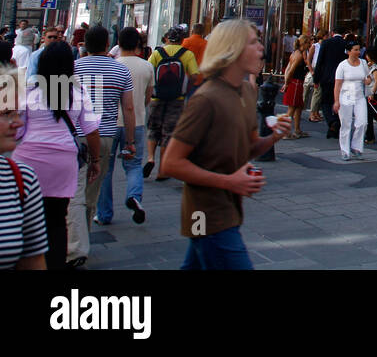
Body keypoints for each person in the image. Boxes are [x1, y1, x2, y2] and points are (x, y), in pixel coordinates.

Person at [160, 19, 291, 270]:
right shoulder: (206, 99)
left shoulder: (246, 92)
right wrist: (229, 181)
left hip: (228, 210)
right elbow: (171, 163)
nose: (261, 49)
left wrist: (274, 137)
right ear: (233, 49)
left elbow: (249, 148)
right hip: (203, 215)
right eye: (253, 43)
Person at [11, 41, 100, 270]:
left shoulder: (28, 90)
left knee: (25, 217)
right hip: (63, 162)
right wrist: (95, 161)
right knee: (58, 219)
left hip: (27, 161)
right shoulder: (78, 91)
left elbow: (19, 130)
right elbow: (91, 130)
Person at [71, 26, 135, 263]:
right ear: (108, 43)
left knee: (73, 190)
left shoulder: (73, 69)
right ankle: (82, 241)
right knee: (91, 192)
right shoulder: (120, 70)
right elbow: (128, 109)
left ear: (84, 44)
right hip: (105, 135)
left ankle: (74, 242)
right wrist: (130, 141)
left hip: (75, 135)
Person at [100, 28, 151, 225]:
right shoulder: (147, 66)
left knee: (106, 169)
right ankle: (134, 197)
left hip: (110, 123)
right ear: (138, 45)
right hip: (136, 122)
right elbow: (148, 96)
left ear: (118, 44)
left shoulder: (112, 65)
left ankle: (104, 213)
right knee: (134, 165)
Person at [1, 67, 47, 269]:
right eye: (7, 114)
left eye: (16, 113)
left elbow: (33, 260)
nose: (18, 122)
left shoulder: (20, 179)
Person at [143, 27, 200, 180]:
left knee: (153, 128)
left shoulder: (157, 53)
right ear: (182, 40)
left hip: (157, 97)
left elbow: (149, 70)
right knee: (169, 132)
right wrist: (186, 88)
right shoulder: (187, 54)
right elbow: (195, 75)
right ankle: (162, 170)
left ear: (167, 38)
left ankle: (150, 158)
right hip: (177, 99)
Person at [333, 39, 369, 160]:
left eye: (359, 49)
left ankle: (356, 146)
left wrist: (368, 81)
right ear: (349, 52)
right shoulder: (342, 65)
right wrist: (336, 101)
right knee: (346, 124)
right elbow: (337, 84)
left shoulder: (363, 63)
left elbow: (366, 78)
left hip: (359, 96)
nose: (358, 52)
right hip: (346, 96)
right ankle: (345, 150)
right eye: (356, 50)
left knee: (362, 122)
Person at [313, 33, 347, 138]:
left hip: (327, 77)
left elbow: (320, 61)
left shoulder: (326, 43)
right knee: (338, 101)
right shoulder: (345, 44)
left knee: (326, 102)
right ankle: (336, 123)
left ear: (333, 33)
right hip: (341, 78)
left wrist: (316, 78)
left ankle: (332, 122)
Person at [280, 35, 310, 138]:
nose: (309, 45)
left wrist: (286, 82)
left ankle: (297, 130)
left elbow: (288, 69)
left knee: (298, 107)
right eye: (308, 43)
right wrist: (287, 83)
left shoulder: (296, 53)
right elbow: (291, 70)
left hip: (296, 82)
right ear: (303, 43)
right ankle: (285, 132)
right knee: (292, 108)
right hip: (296, 82)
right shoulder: (298, 55)